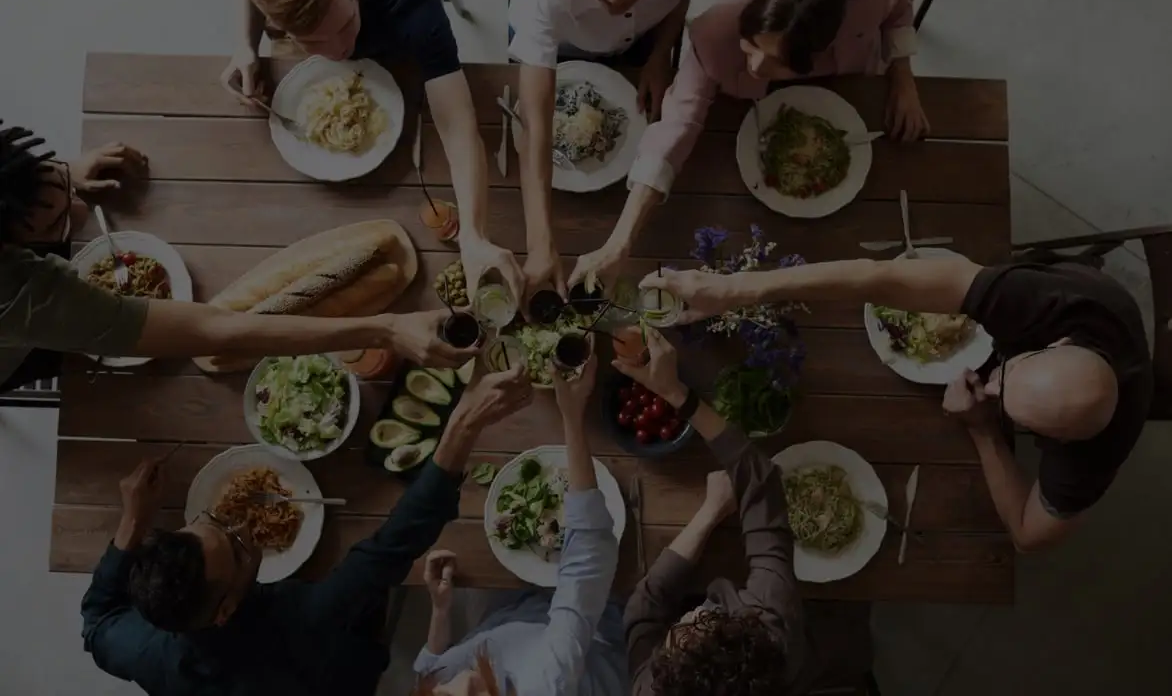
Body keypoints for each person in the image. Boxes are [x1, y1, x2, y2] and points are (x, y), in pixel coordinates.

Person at [646, 252, 1154, 552]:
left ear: (1061, 442)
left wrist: (981, 429)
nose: (990, 383)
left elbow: (1027, 533)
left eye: (1007, 406)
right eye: (1007, 374)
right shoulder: (1051, 306)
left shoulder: (1096, 455)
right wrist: (736, 288)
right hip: (1066, 292)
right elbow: (877, 276)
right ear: (1057, 344)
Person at [81, 362, 534, 696]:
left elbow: (96, 621)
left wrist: (133, 520)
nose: (242, 524)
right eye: (237, 548)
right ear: (225, 610)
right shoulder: (304, 621)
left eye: (214, 523)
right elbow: (395, 543)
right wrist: (464, 423)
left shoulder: (145, 652)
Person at [0, 121, 475, 393]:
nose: (85, 212)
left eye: (64, 189)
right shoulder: (22, 296)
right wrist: (388, 328)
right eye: (58, 224)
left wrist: (58, 179)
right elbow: (212, 330)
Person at [570, 0, 929, 289]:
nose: (755, 67)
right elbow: (675, 127)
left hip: (847, 99)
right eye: (752, 45)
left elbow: (900, 1)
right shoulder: (716, 33)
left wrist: (903, 78)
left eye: (777, 62)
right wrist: (619, 243)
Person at [224, 0, 523, 306]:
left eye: (346, 25)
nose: (337, 53)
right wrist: (246, 44)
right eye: (313, 42)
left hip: (397, 67)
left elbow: (456, 122)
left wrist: (473, 235)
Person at [616, 328, 872, 695]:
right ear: (743, 630)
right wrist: (678, 394)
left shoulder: (652, 688)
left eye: (675, 636)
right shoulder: (774, 629)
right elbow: (761, 484)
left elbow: (643, 610)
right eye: (704, 621)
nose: (688, 616)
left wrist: (708, 513)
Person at [412, 355, 625, 696]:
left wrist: (440, 610)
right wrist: (571, 415)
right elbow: (589, 559)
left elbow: (429, 670)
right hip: (596, 633)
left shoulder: (445, 683)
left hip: (509, 622)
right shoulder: (547, 683)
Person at [510, 0, 699, 299]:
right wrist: (539, 244)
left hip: (643, 41)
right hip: (565, 47)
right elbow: (537, 127)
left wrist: (661, 54)